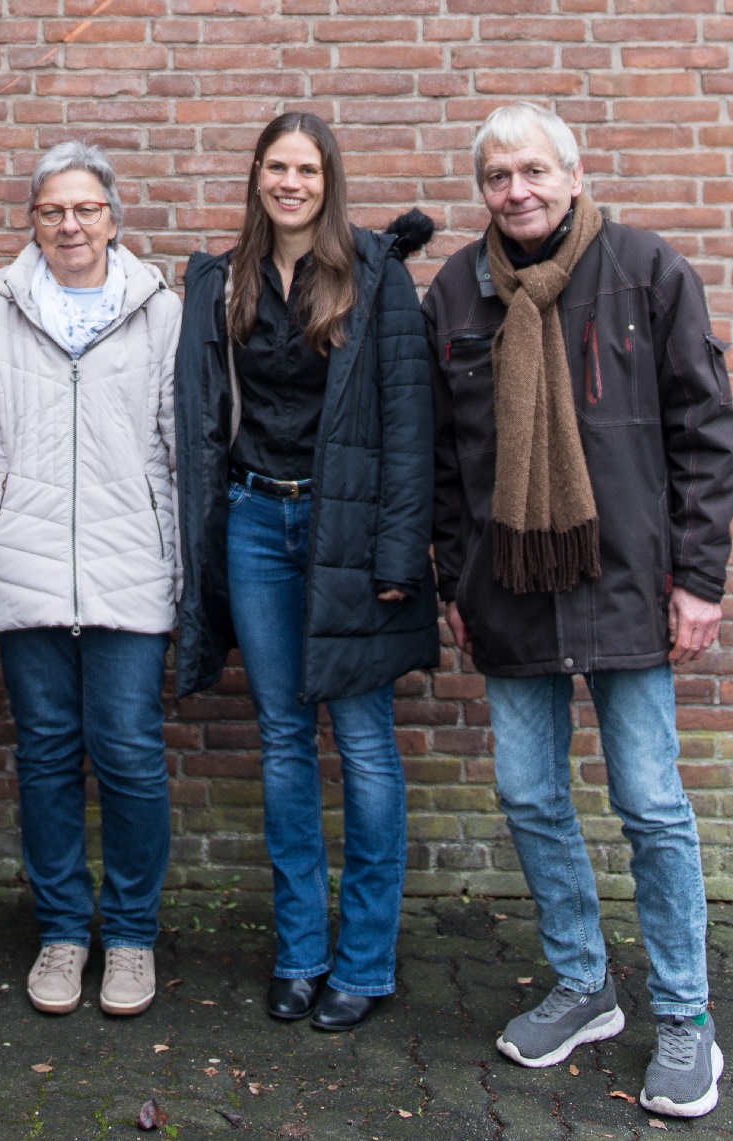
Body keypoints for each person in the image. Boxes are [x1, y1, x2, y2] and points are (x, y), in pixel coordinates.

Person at [423, 102, 733, 1118]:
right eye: (496, 176)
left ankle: (687, 1019)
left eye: (531, 171)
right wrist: (453, 579)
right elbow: (441, 460)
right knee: (529, 796)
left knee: (651, 805)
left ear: (572, 173)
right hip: (508, 591)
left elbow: (705, 433)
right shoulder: (458, 294)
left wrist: (700, 577)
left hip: (626, 585)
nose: (515, 190)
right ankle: (583, 983)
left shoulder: (647, 272)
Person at [173, 112, 438, 1033]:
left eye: (307, 169)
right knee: (284, 741)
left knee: (364, 746)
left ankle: (364, 962)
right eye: (276, 167)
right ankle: (300, 953)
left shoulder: (375, 275)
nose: (291, 182)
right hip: (254, 520)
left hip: (348, 536)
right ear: (256, 176)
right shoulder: (223, 279)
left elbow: (410, 425)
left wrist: (401, 554)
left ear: (330, 180)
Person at [0, 141, 182, 1018]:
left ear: (115, 216)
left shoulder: (159, 310)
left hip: (129, 571)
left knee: (133, 759)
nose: (70, 225)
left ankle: (135, 934)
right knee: (43, 757)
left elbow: (183, 452)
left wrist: (183, 573)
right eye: (52, 210)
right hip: (25, 569)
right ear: (31, 220)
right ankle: (65, 929)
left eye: (87, 209)